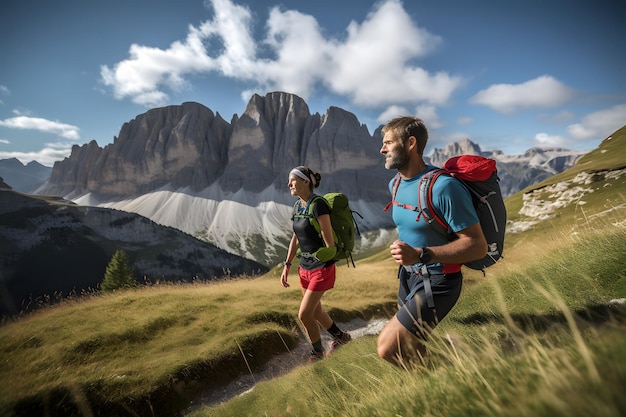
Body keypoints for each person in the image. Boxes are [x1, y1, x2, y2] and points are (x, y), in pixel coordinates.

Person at [378, 116, 488, 367]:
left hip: (439, 280)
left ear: (411, 143)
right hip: (408, 277)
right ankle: (447, 379)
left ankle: (451, 373)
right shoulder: (394, 184)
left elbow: (477, 245)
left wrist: (421, 254)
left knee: (387, 348)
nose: (382, 149)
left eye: (388, 143)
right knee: (409, 345)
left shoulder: (444, 187)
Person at [280, 166, 352, 362]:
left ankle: (317, 353)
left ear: (306, 181)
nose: (289, 185)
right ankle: (341, 338)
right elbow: (295, 238)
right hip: (304, 268)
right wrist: (287, 265)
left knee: (304, 314)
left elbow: (330, 243)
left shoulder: (318, 205)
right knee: (316, 310)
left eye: (292, 180)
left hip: (322, 268)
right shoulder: (298, 206)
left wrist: (322, 256)